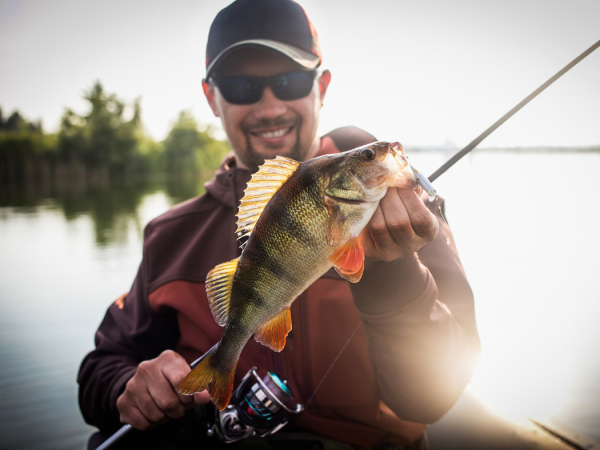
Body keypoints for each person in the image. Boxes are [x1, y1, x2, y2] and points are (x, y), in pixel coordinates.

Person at [78, 1, 480, 449]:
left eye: (290, 81)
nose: (269, 108)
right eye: (242, 87)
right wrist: (128, 387)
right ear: (212, 98)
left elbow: (434, 397)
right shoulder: (170, 236)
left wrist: (393, 272)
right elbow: (100, 369)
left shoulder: (407, 212)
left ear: (321, 87)